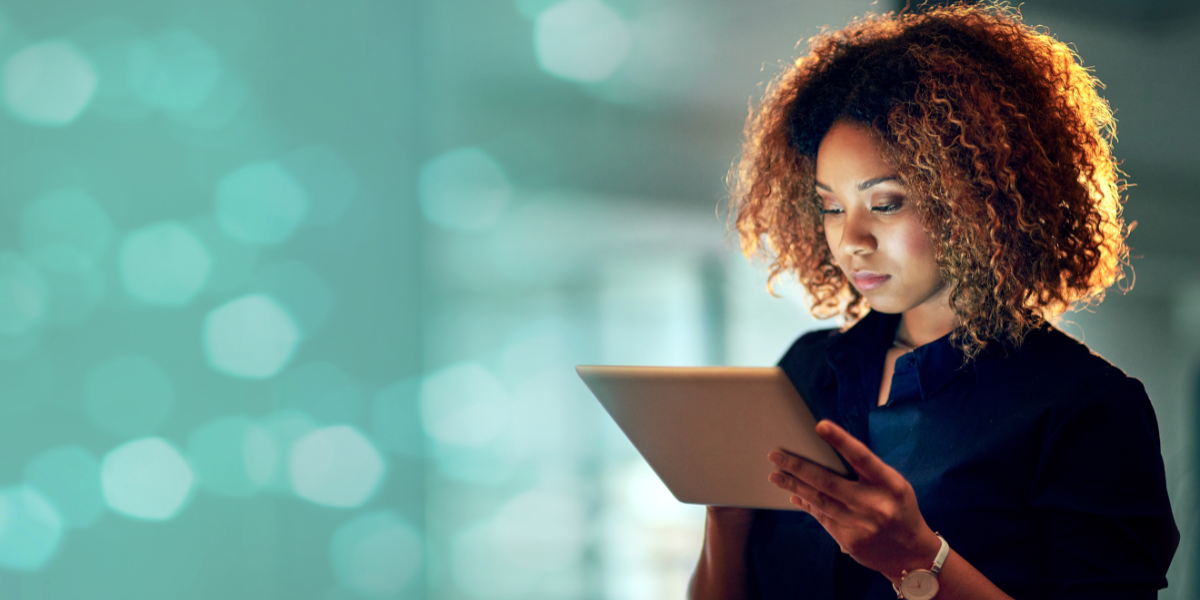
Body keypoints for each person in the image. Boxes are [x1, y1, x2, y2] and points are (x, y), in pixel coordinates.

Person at [689, 3, 1179, 599]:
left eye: (886, 203)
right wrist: (725, 520)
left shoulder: (1084, 408)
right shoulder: (807, 370)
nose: (851, 240)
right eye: (831, 206)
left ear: (979, 199)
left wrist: (918, 559)